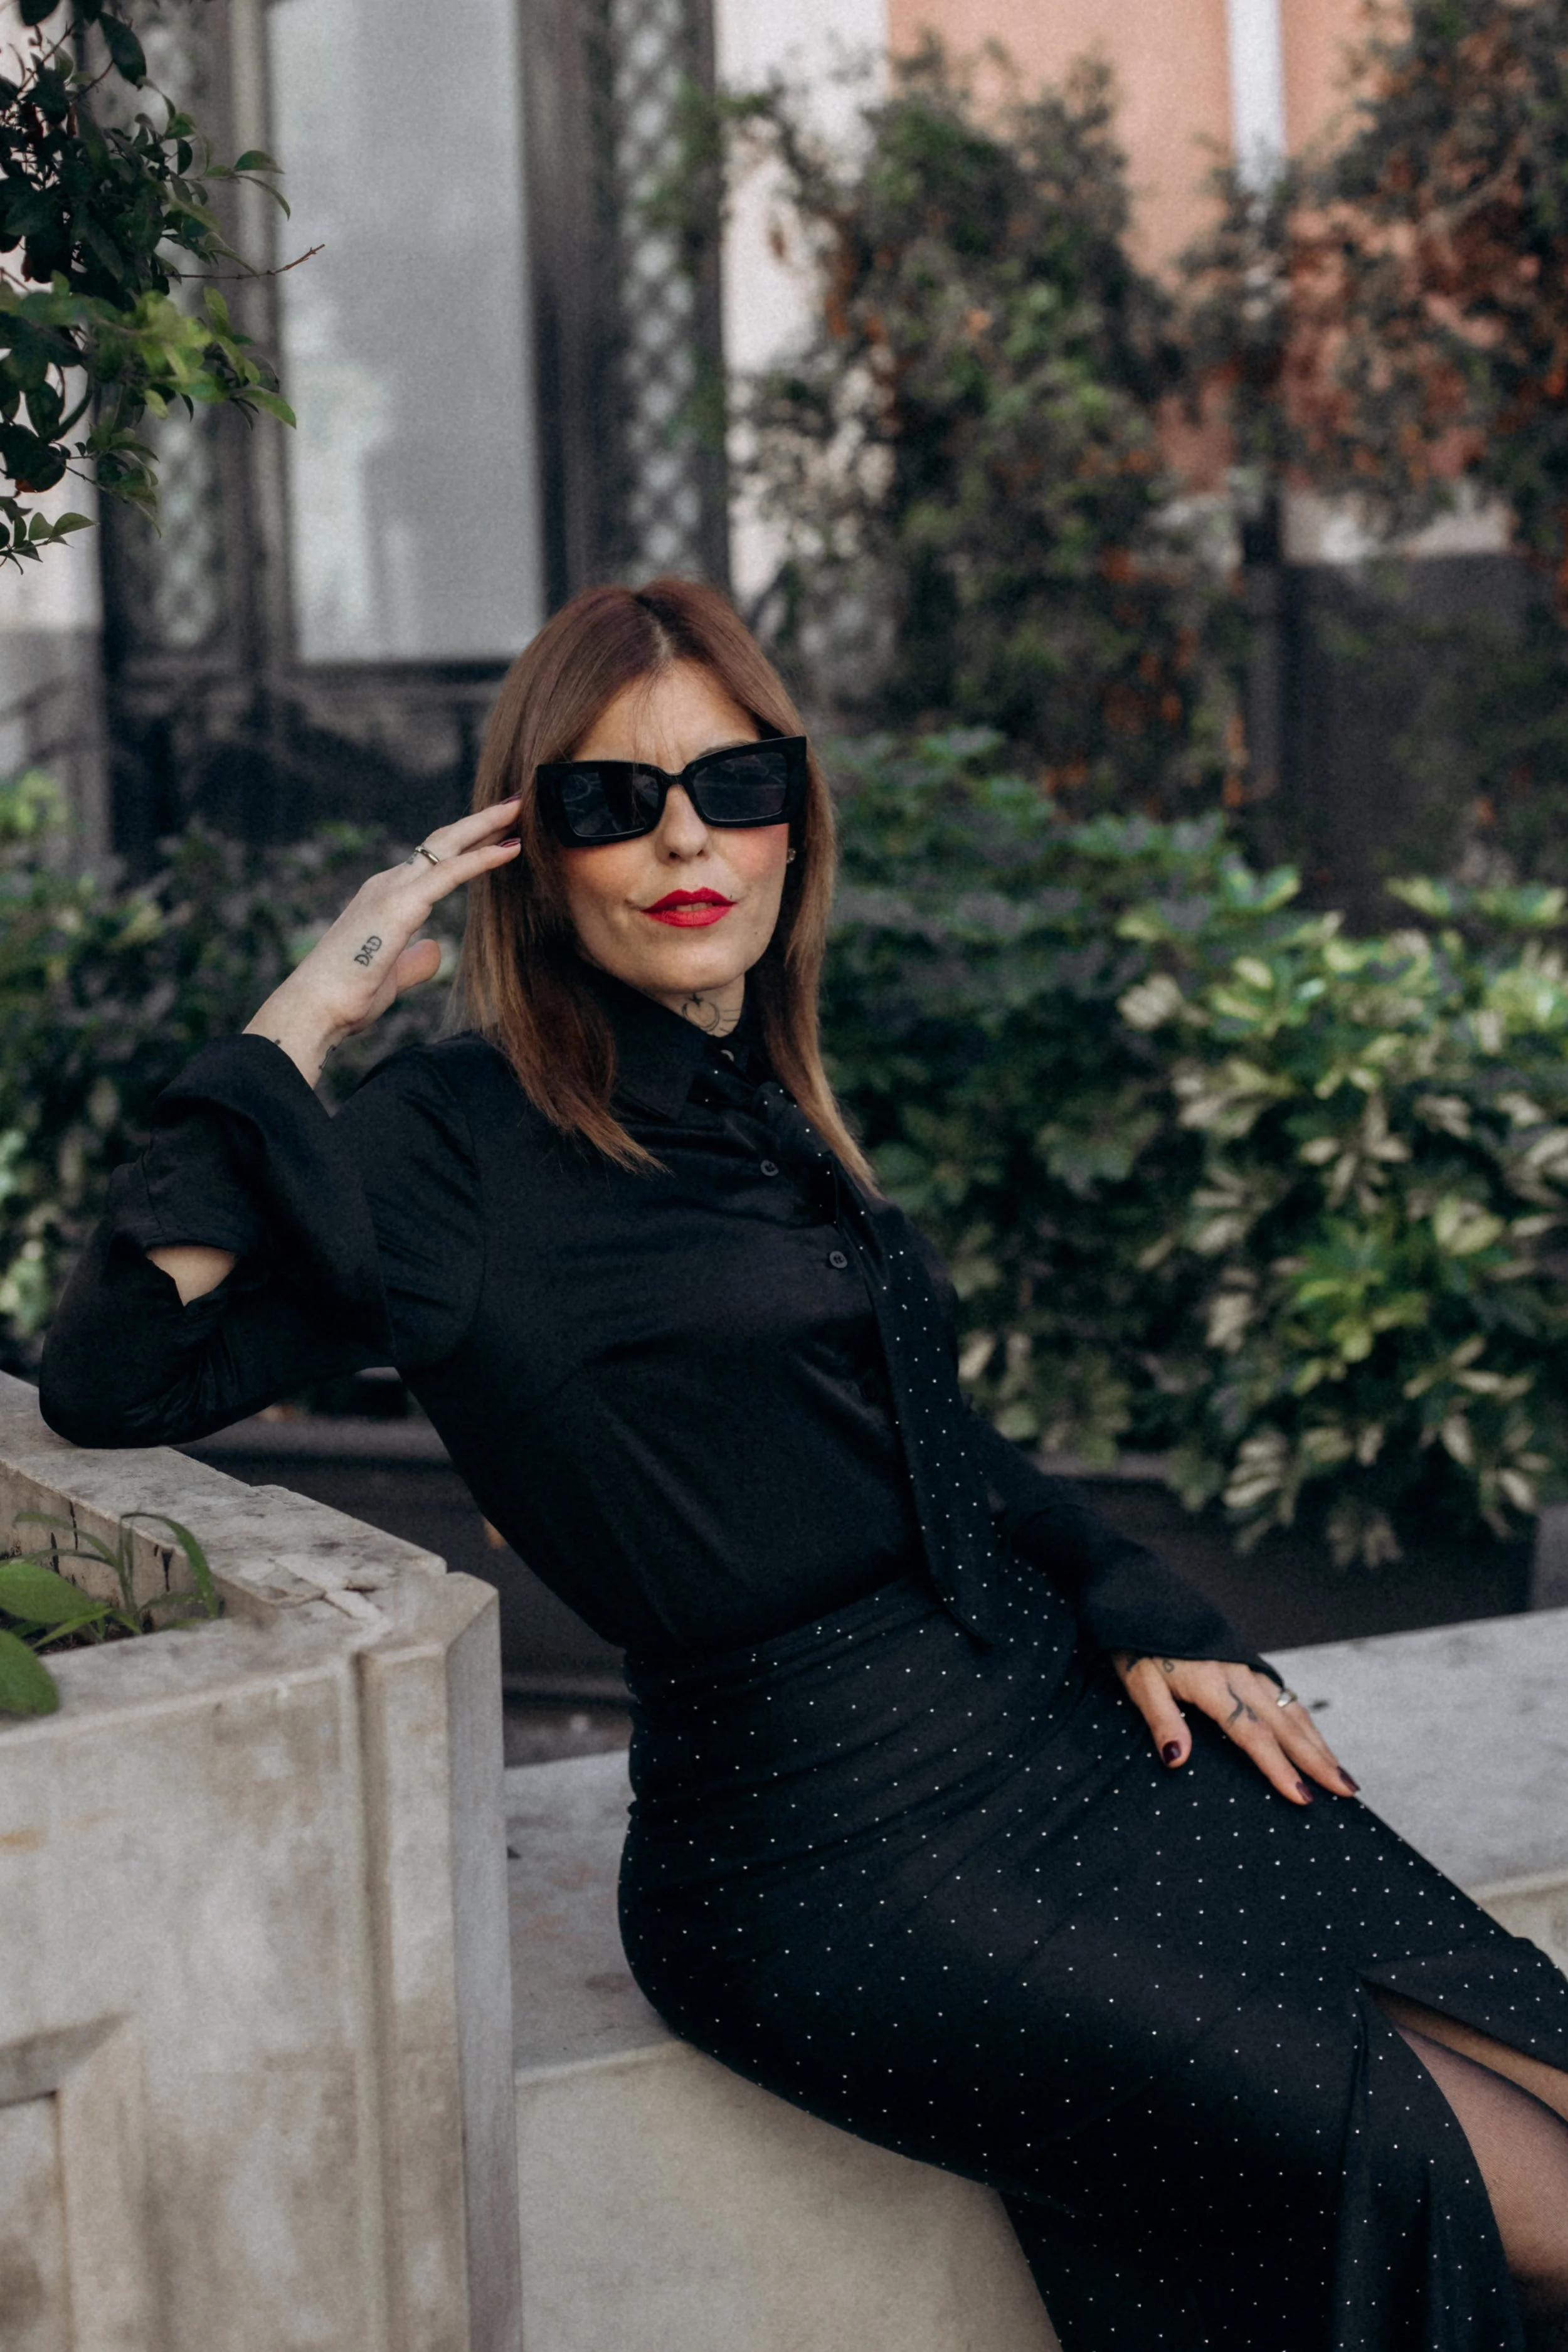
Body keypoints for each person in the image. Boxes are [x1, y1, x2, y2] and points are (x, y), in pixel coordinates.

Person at [41, 579, 1568, 2351]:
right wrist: (323, 998)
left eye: (733, 784)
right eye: (612, 800)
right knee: (1494, 2202)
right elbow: (113, 1373)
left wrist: (1138, 1596)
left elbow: (925, 1433)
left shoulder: (753, 1089)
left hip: (1060, 1732)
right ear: (533, 851)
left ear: (791, 819)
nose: (685, 835)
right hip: (828, 1855)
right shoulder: (447, 1140)